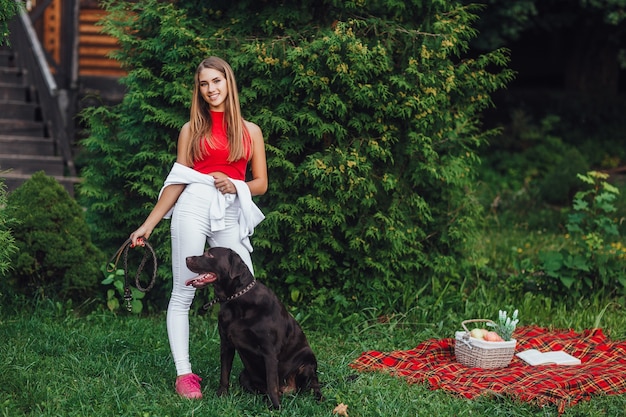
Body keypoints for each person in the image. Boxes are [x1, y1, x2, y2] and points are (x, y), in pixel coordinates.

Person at [129, 56, 268, 399]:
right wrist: (147, 225)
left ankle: (260, 368)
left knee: (247, 290)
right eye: (204, 84)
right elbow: (177, 182)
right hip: (191, 205)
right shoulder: (191, 130)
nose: (211, 90)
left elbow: (261, 183)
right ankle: (184, 374)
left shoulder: (251, 131)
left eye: (216, 82)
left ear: (228, 82)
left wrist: (235, 185)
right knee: (183, 291)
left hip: (230, 208)